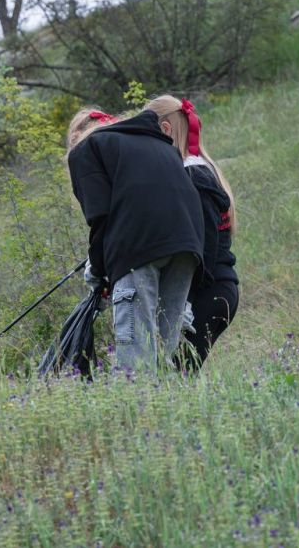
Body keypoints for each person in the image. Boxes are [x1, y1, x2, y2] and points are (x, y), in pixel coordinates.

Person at [66, 106, 204, 373]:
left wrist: (98, 272)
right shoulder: (154, 142)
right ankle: (168, 406)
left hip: (138, 246)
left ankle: (135, 410)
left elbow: (100, 218)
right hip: (188, 242)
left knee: (135, 349)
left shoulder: (85, 150)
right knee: (164, 347)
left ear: (75, 138)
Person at [144, 96, 239, 370]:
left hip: (209, 293)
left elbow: (206, 247)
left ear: (165, 129)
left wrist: (186, 301)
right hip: (209, 291)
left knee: (174, 377)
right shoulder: (193, 172)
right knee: (173, 376)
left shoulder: (194, 176)